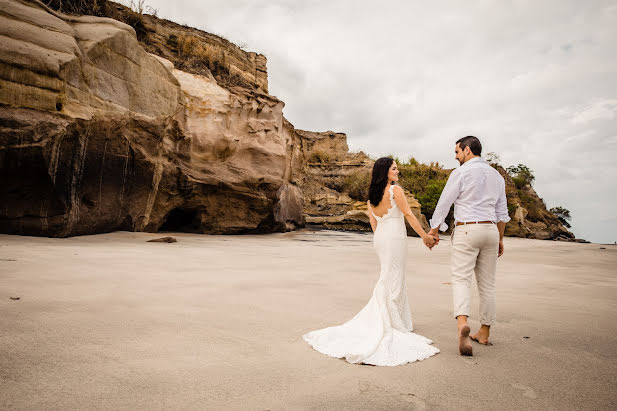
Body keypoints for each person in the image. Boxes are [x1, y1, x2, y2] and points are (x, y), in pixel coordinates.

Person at [303, 157, 439, 366]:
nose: (398, 171)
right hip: (394, 237)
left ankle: (396, 318)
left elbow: (374, 224)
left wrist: (382, 239)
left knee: (388, 275)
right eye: (394, 168)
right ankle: (392, 320)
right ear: (385, 171)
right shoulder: (395, 191)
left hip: (381, 238)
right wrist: (425, 237)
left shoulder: (372, 196)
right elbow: (410, 215)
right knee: (394, 276)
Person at [428, 136, 511, 356]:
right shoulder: (497, 176)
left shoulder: (461, 173)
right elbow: (502, 213)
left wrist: (434, 230)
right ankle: (484, 332)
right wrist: (500, 238)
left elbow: (445, 202)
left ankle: (462, 323)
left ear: (467, 150)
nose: (455, 156)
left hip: (467, 230)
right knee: (488, 285)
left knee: (461, 279)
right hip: (491, 230)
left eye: (457, 152)